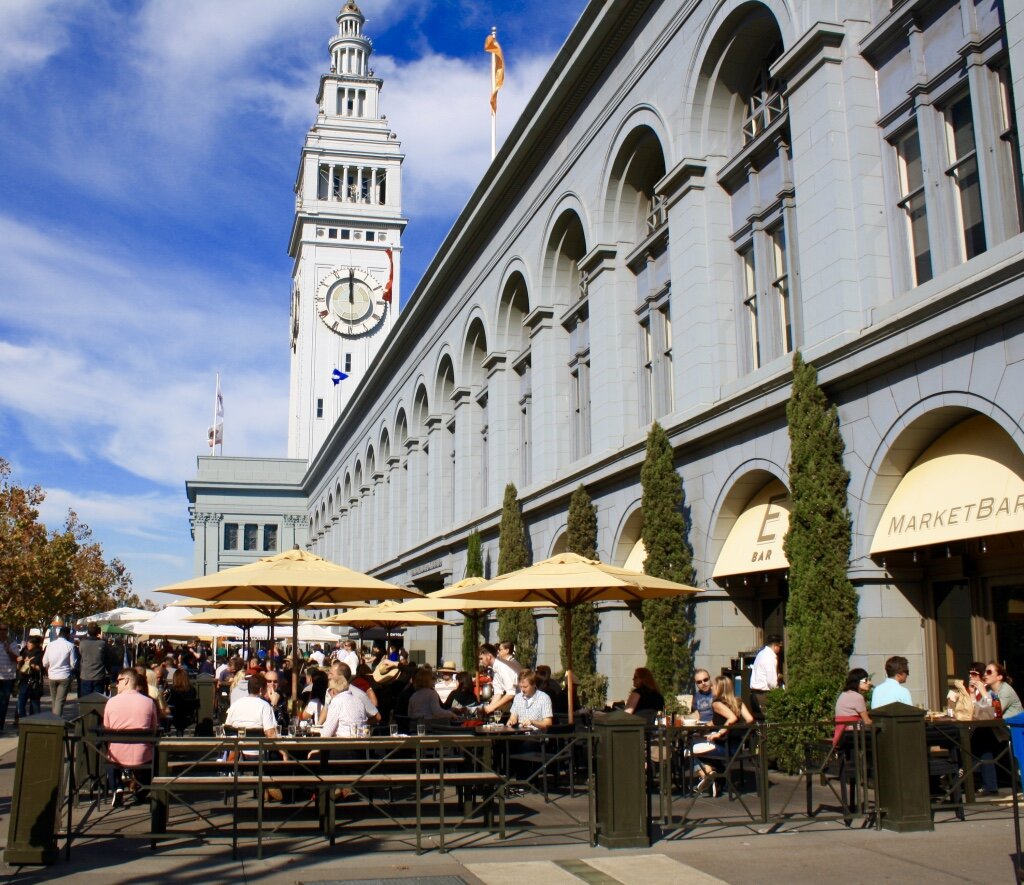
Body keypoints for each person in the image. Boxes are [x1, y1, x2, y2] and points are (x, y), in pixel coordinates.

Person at [104, 668, 159, 808]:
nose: (116, 684)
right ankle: (142, 789)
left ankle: (117, 786)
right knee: (155, 754)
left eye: (118, 681)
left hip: (116, 755)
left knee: (108, 755)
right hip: (142, 755)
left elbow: (107, 727)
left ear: (127, 680)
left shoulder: (111, 702)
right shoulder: (148, 702)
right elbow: (154, 728)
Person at [225, 672, 279, 737]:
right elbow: (270, 734)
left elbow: (227, 728)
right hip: (258, 746)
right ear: (261, 690)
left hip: (238, 745)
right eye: (265, 688)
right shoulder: (265, 706)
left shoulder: (235, 705)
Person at [42, 626, 78, 716]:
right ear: (67, 634)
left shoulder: (50, 645)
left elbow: (44, 662)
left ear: (58, 634)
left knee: (54, 700)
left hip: (52, 675)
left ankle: (54, 719)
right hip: (64, 675)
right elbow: (73, 664)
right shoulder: (70, 646)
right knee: (60, 701)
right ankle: (56, 721)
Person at [834, 668, 872, 744]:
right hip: (851, 737)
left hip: (840, 734)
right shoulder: (857, 697)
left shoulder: (843, 694)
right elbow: (867, 721)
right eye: (866, 680)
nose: (869, 683)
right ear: (857, 681)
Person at [478, 643, 518, 717]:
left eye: (481, 658)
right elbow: (498, 693)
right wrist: (488, 709)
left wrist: (492, 707)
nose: (480, 662)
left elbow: (511, 694)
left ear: (489, 656)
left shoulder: (503, 667)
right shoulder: (496, 668)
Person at [749, 634, 782, 719]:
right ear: (775, 646)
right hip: (763, 695)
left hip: (754, 694)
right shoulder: (770, 658)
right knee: (768, 722)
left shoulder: (761, 654)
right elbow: (772, 683)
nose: (780, 649)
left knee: (759, 723)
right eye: (780, 646)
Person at [79, 622, 114, 697]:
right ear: (98, 631)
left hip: (86, 676)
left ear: (88, 631)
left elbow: (80, 658)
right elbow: (107, 659)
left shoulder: (82, 643)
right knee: (97, 701)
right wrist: (110, 671)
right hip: (99, 676)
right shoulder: (103, 644)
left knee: (86, 700)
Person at [16, 636, 44, 721]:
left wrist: (30, 663)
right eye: (27, 642)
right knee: (21, 703)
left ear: (35, 644)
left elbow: (41, 668)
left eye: (30, 643)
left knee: (34, 704)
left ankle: (35, 723)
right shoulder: (24, 652)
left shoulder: (39, 653)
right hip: (23, 680)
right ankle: (22, 722)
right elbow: (19, 667)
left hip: (34, 681)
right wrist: (19, 661)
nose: (28, 644)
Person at [167, 668, 198, 737]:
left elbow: (170, 704)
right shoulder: (192, 690)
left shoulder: (173, 690)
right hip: (189, 716)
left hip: (175, 717)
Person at [0, 624, 18, 732]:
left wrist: (8, 651)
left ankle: (0, 725)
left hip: (7, 677)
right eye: (0, 629)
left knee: (3, 703)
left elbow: (17, 659)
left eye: (4, 629)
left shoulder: (12, 643)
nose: (2, 631)